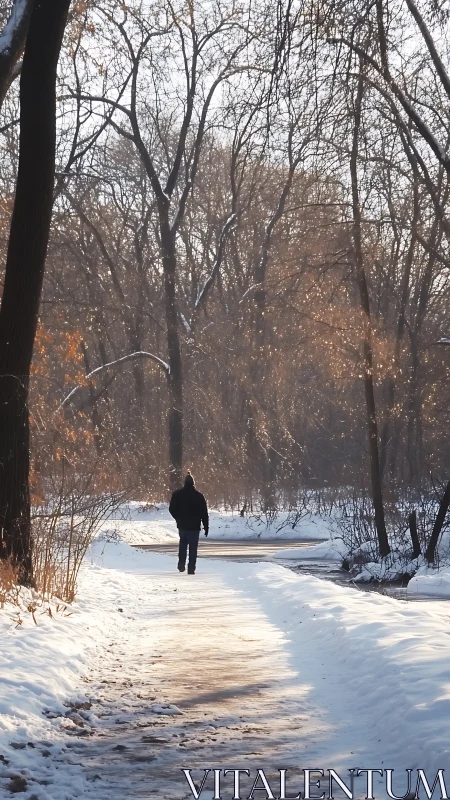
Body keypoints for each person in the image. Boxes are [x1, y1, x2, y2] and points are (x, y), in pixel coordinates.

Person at [169, 472, 209, 575]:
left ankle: (181, 564)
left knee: (182, 544)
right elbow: (204, 513)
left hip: (182, 525)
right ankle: (191, 568)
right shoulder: (199, 496)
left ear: (184, 483)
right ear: (193, 483)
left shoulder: (177, 495)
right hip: (194, 527)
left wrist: (178, 518)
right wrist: (206, 526)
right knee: (193, 548)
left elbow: (172, 509)